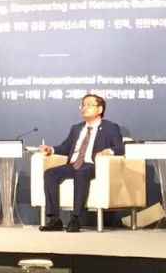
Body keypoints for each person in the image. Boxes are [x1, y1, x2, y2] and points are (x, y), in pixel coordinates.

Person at [38, 93, 126, 232]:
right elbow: (66, 147)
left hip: (92, 165)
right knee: (50, 173)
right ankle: (54, 219)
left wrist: (108, 151)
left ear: (100, 109)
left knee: (81, 173)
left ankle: (75, 219)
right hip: (74, 164)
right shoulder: (76, 128)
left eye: (89, 105)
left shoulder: (110, 127)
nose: (85, 107)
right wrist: (51, 149)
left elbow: (121, 147)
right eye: (83, 105)